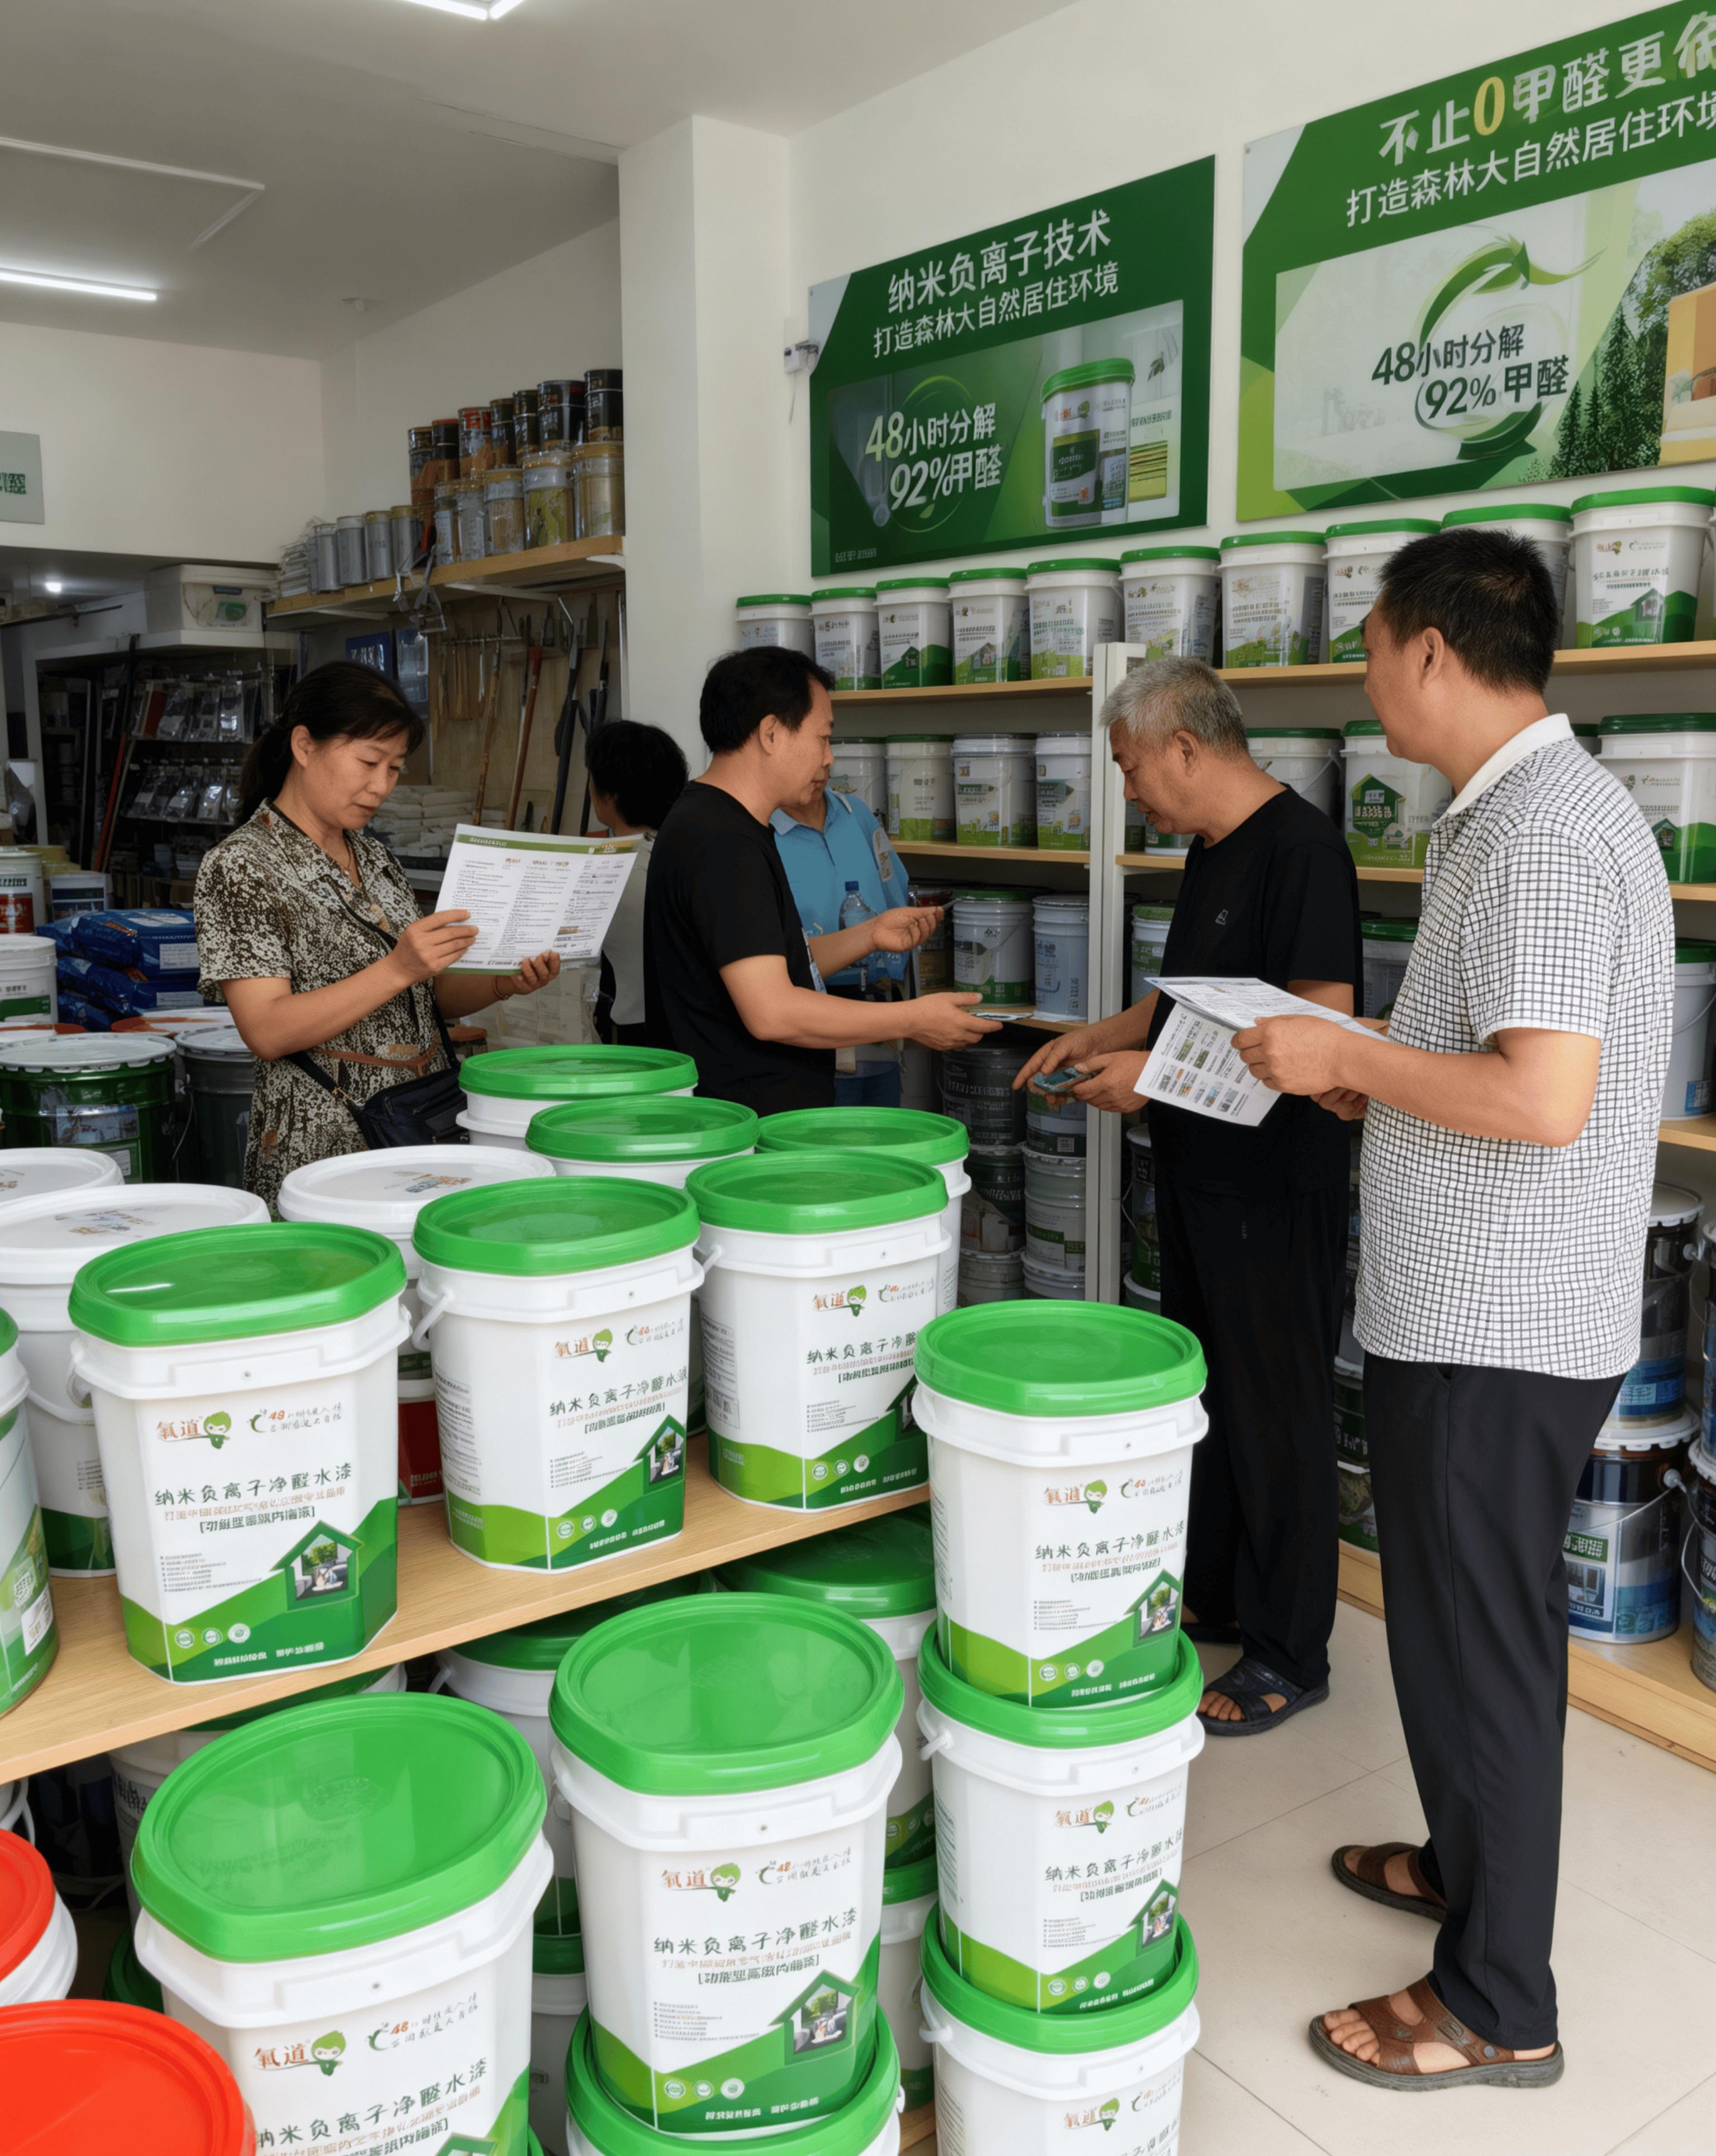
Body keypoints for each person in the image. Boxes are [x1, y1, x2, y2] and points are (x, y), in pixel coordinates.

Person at [1233, 529, 1672, 2090]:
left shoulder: (1540, 830)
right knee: (1467, 1630)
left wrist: (1344, 1058)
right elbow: (1497, 1068)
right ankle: (1469, 1864)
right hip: (1488, 1303)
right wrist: (1383, 1088)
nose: (1362, 680)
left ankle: (1496, 2002)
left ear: (1428, 648)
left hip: (1499, 1320)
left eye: (1367, 650)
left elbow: (1543, 1098)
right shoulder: (1518, 813)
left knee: (1477, 1646)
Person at [1013, 656, 1361, 1737]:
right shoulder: (1212, 849)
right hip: (1202, 1175)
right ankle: (1216, 1595)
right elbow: (1191, 1008)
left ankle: (1290, 1651)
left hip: (1275, 1184)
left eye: (1129, 768)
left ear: (1184, 746)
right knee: (1211, 1402)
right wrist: (1101, 1037)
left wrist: (1149, 1079)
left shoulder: (1302, 852)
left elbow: (1318, 1031)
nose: (1128, 791)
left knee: (1278, 1415)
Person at [197, 661, 560, 1208]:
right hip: (324, 1142)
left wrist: (502, 983)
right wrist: (398, 967)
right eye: (369, 762)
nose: (381, 786)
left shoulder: (373, 857)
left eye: (394, 769)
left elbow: (424, 997)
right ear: (304, 745)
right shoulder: (243, 866)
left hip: (420, 1123)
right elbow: (266, 1029)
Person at [645, 645, 998, 1112]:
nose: (829, 758)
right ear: (771, 733)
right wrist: (911, 1019)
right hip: (743, 1124)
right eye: (823, 738)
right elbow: (772, 1012)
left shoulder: (714, 822)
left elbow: (764, 964)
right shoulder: (724, 843)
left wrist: (869, 934)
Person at [772, 766, 912, 1106]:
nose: (824, 760)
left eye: (827, 743)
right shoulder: (761, 830)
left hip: (879, 1028)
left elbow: (896, 893)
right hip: (808, 1036)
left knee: (883, 1135)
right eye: (815, 743)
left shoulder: (856, 814)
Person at [585, 719, 688, 1045]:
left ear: (610, 794)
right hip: (698, 1028)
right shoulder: (690, 853)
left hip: (637, 1033)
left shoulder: (607, 870)